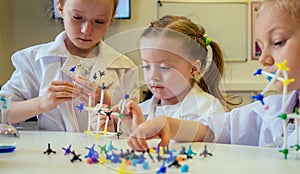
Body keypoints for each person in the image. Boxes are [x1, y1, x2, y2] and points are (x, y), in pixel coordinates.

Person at [127, 0, 300, 151]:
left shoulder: (207, 105)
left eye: (278, 42)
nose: (263, 59)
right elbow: (214, 131)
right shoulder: (268, 111)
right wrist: (166, 124)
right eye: (261, 47)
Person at [97, 15, 239, 144]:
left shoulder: (208, 110)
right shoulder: (142, 110)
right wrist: (113, 130)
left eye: (164, 68)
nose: (153, 76)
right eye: (146, 67)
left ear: (193, 69)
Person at [0, 0, 138, 132]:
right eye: (77, 17)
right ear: (60, 8)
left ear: (112, 16)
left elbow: (135, 127)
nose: (86, 30)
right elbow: (2, 113)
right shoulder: (34, 60)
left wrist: (106, 102)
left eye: (99, 21)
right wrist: (41, 103)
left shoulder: (125, 68)